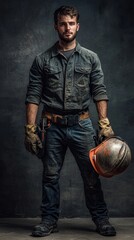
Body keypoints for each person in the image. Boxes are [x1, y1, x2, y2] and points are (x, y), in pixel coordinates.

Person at [25, 5, 116, 237]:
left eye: (72, 23)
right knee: (50, 176)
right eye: (63, 23)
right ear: (56, 26)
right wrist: (30, 129)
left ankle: (101, 219)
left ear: (78, 26)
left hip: (82, 126)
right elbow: (33, 95)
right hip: (51, 126)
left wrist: (104, 124)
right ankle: (48, 220)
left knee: (91, 175)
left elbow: (100, 91)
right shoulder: (42, 60)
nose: (68, 28)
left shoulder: (90, 58)